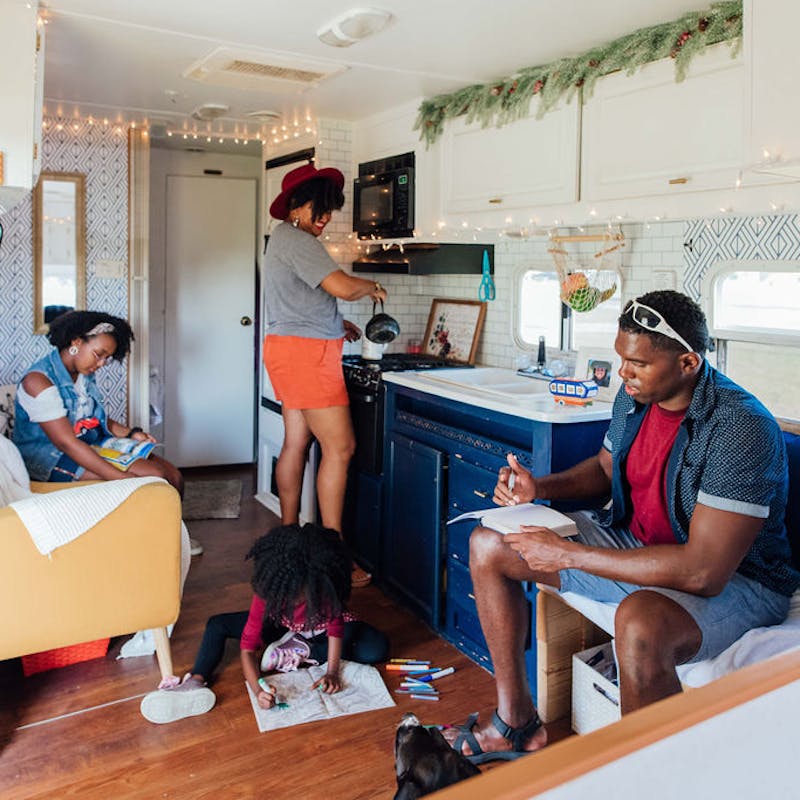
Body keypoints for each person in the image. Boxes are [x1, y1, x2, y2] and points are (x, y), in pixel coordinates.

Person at [445, 290, 800, 763]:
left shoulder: (740, 426)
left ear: (688, 362)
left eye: (637, 363)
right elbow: (605, 468)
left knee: (639, 622)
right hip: (637, 543)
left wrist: (567, 554)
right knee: (489, 542)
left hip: (742, 585)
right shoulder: (635, 399)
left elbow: (703, 573)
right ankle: (516, 724)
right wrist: (538, 487)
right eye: (620, 359)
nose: (622, 373)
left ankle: (647, 777)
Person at [263, 162, 388, 587]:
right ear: (297, 205)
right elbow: (338, 286)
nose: (325, 218)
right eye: (322, 209)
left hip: (289, 348)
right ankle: (334, 557)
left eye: (330, 211)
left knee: (296, 442)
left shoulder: (283, 239)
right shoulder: (297, 239)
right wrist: (369, 286)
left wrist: (339, 326)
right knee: (342, 448)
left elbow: (302, 302)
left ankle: (288, 539)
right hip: (307, 357)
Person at [140, 522, 390, 724]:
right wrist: (258, 688)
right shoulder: (269, 593)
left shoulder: (323, 589)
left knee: (376, 648)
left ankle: (304, 651)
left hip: (320, 633)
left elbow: (336, 629)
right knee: (217, 624)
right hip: (279, 626)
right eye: (291, 596)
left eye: (302, 596)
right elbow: (247, 649)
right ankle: (195, 680)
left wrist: (332, 672)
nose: (297, 601)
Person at [12, 310, 202, 555]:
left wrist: (131, 433)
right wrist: (118, 477)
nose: (101, 364)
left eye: (106, 359)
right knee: (152, 479)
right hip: (49, 458)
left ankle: (173, 537)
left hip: (85, 445)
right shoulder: (38, 382)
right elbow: (66, 443)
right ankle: (150, 545)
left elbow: (94, 417)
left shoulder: (82, 375)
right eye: (99, 355)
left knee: (172, 475)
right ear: (76, 342)